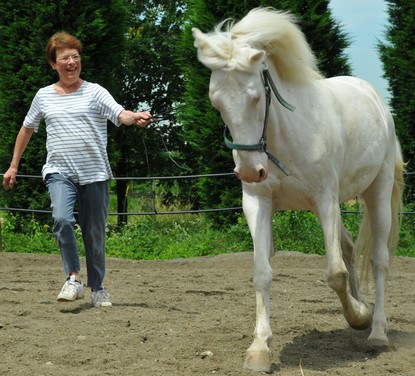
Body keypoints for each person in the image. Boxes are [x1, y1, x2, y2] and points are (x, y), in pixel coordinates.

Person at [2, 31, 152, 308]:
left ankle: (98, 288)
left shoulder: (95, 91)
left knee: (94, 235)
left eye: (75, 57)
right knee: (61, 218)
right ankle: (73, 278)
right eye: (64, 58)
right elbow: (27, 128)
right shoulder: (44, 96)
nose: (71, 62)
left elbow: (119, 113)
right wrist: (13, 166)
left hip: (94, 174)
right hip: (59, 172)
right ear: (53, 64)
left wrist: (134, 117)